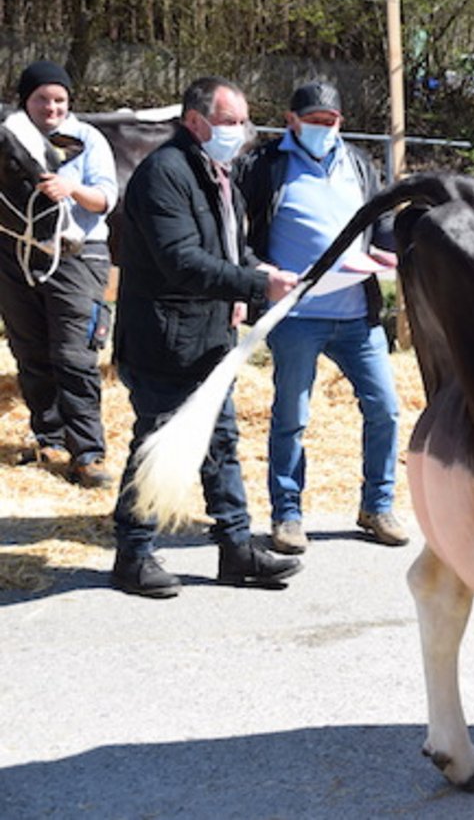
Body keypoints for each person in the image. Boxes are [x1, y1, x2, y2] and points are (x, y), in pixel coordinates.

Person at [109, 76, 303, 598]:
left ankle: (235, 549)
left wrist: (262, 271)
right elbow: (181, 261)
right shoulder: (164, 174)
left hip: (210, 339)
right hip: (165, 340)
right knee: (156, 445)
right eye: (229, 121)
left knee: (221, 445)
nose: (240, 131)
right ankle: (133, 554)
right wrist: (257, 285)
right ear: (195, 121)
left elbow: (230, 249)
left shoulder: (219, 176)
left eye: (243, 120)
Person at [234, 81, 406, 554]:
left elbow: (381, 224)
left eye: (330, 122)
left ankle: (378, 505)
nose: (323, 129)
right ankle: (287, 515)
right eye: (313, 121)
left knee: (385, 408)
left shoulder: (359, 164)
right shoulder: (263, 166)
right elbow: (236, 233)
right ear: (291, 120)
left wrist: (391, 252)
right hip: (296, 315)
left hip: (357, 314)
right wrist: (260, 273)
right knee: (292, 416)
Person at [0, 60, 118, 487]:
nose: (51, 108)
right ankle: (48, 438)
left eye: (59, 100)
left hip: (76, 253)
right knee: (29, 348)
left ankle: (88, 452)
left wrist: (72, 189)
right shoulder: (10, 136)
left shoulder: (87, 138)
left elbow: (106, 197)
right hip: (18, 252)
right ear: (25, 101)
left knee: (74, 354)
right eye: (42, 99)